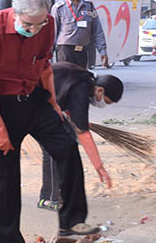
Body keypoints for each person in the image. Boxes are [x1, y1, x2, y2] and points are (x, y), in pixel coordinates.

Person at [0, 0, 83, 243]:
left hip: (34, 99)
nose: (35, 29)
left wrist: (54, 105)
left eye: (40, 23)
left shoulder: (48, 24)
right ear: (14, 13)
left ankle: (71, 225)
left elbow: (44, 65)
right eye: (28, 24)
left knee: (67, 146)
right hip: (0, 104)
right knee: (4, 175)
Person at [38, 62, 123, 228]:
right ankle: (50, 198)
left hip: (46, 107)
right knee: (54, 151)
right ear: (100, 90)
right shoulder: (82, 88)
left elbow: (69, 107)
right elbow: (83, 133)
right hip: (37, 107)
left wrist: (79, 122)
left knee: (59, 149)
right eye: (106, 101)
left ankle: (52, 196)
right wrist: (99, 167)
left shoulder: (84, 79)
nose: (103, 104)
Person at [52, 0, 108, 69]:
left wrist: (102, 51)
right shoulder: (58, 8)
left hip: (82, 51)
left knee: (81, 80)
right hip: (64, 51)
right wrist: (48, 55)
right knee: (66, 81)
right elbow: (52, 33)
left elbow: (97, 30)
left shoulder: (89, 6)